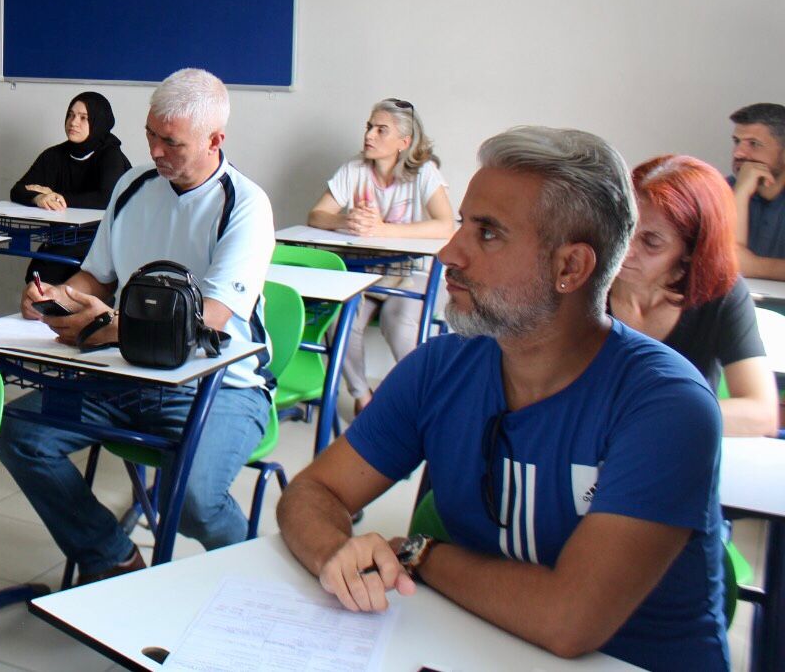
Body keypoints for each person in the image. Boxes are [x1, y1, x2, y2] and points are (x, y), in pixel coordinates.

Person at [276, 126, 728, 669]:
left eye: (488, 233)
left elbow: (569, 621)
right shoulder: (440, 368)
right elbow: (313, 492)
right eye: (463, 224)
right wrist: (337, 555)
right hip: (477, 648)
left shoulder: (666, 407)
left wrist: (418, 553)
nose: (449, 253)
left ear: (570, 268)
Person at [0, 68, 275, 583]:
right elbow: (97, 278)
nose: (156, 151)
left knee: (191, 501)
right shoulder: (133, 186)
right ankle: (111, 555)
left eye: (172, 142)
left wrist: (111, 326)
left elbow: (210, 318)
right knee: (18, 433)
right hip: (126, 375)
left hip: (218, 384)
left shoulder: (246, 205)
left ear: (215, 141)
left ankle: (258, 583)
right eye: (150, 134)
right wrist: (56, 297)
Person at [612, 154, 777, 436]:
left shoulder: (721, 291)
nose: (625, 250)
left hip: (676, 447)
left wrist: (647, 418)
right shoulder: (585, 280)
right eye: (624, 227)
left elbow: (761, 413)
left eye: (651, 242)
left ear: (692, 250)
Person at [306, 98, 455, 411]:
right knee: (339, 320)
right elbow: (317, 215)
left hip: (415, 274)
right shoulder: (354, 169)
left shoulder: (424, 173)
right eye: (369, 127)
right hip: (366, 273)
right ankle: (363, 398)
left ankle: (418, 403)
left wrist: (383, 229)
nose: (369, 135)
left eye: (380, 130)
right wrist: (346, 220)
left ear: (404, 142)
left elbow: (446, 226)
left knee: (398, 323)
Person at [9, 91, 131, 284]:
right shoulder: (54, 155)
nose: (73, 122)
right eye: (71, 115)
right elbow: (18, 189)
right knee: (37, 275)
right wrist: (38, 198)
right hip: (63, 239)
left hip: (100, 243)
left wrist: (57, 196)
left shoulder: (111, 155)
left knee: (48, 274)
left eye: (84, 118)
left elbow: (106, 199)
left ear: (98, 122)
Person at [728, 102, 785, 279]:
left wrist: (755, 267)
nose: (738, 153)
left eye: (753, 143)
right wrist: (740, 194)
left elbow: (734, 263)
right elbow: (723, 260)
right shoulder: (716, 189)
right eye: (737, 142)